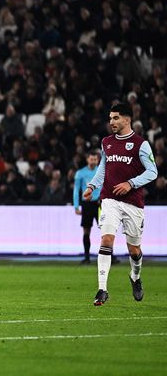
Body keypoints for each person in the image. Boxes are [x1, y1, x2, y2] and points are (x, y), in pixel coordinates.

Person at [83, 103, 157, 306]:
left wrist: (130, 183)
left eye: (116, 118)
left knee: (134, 249)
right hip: (109, 200)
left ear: (127, 119)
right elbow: (103, 168)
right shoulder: (106, 142)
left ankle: (135, 276)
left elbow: (153, 172)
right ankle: (102, 289)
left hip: (133, 203)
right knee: (106, 240)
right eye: (110, 118)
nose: (111, 122)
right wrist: (92, 185)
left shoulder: (140, 144)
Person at [73, 151, 100, 264]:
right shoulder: (80, 173)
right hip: (87, 204)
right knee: (86, 230)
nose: (93, 161)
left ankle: (110, 256)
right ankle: (87, 257)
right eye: (91, 159)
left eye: (95, 159)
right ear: (87, 159)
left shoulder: (102, 171)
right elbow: (76, 190)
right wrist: (76, 206)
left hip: (100, 203)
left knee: (106, 230)